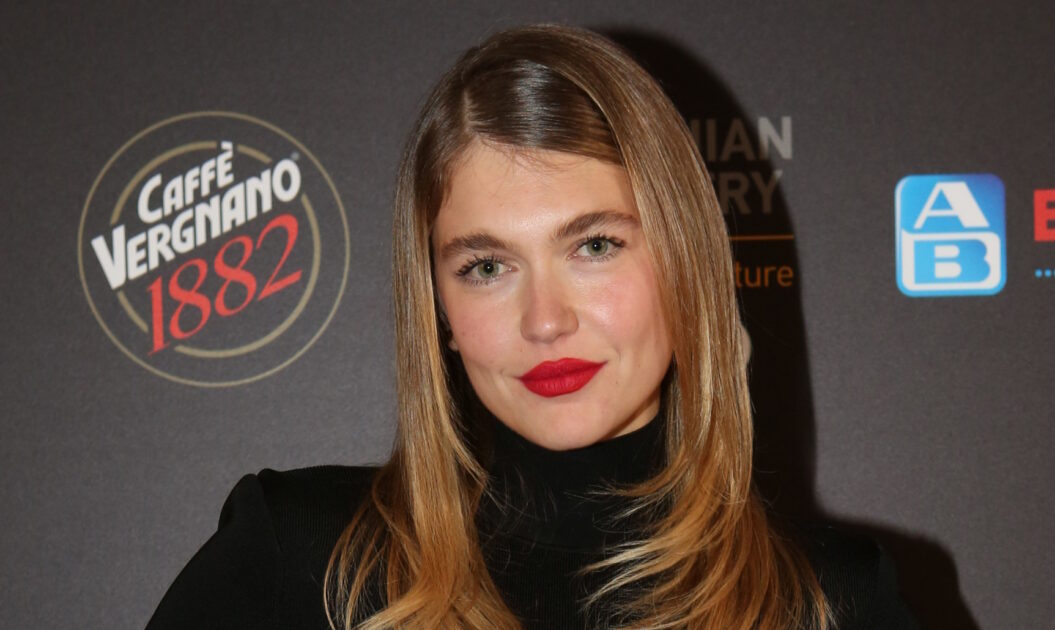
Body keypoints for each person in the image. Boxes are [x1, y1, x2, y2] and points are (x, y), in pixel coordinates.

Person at [146, 24, 918, 630]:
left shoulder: (828, 602)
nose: (545, 321)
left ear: (685, 264)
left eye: (595, 246)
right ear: (440, 310)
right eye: (487, 266)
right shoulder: (301, 562)